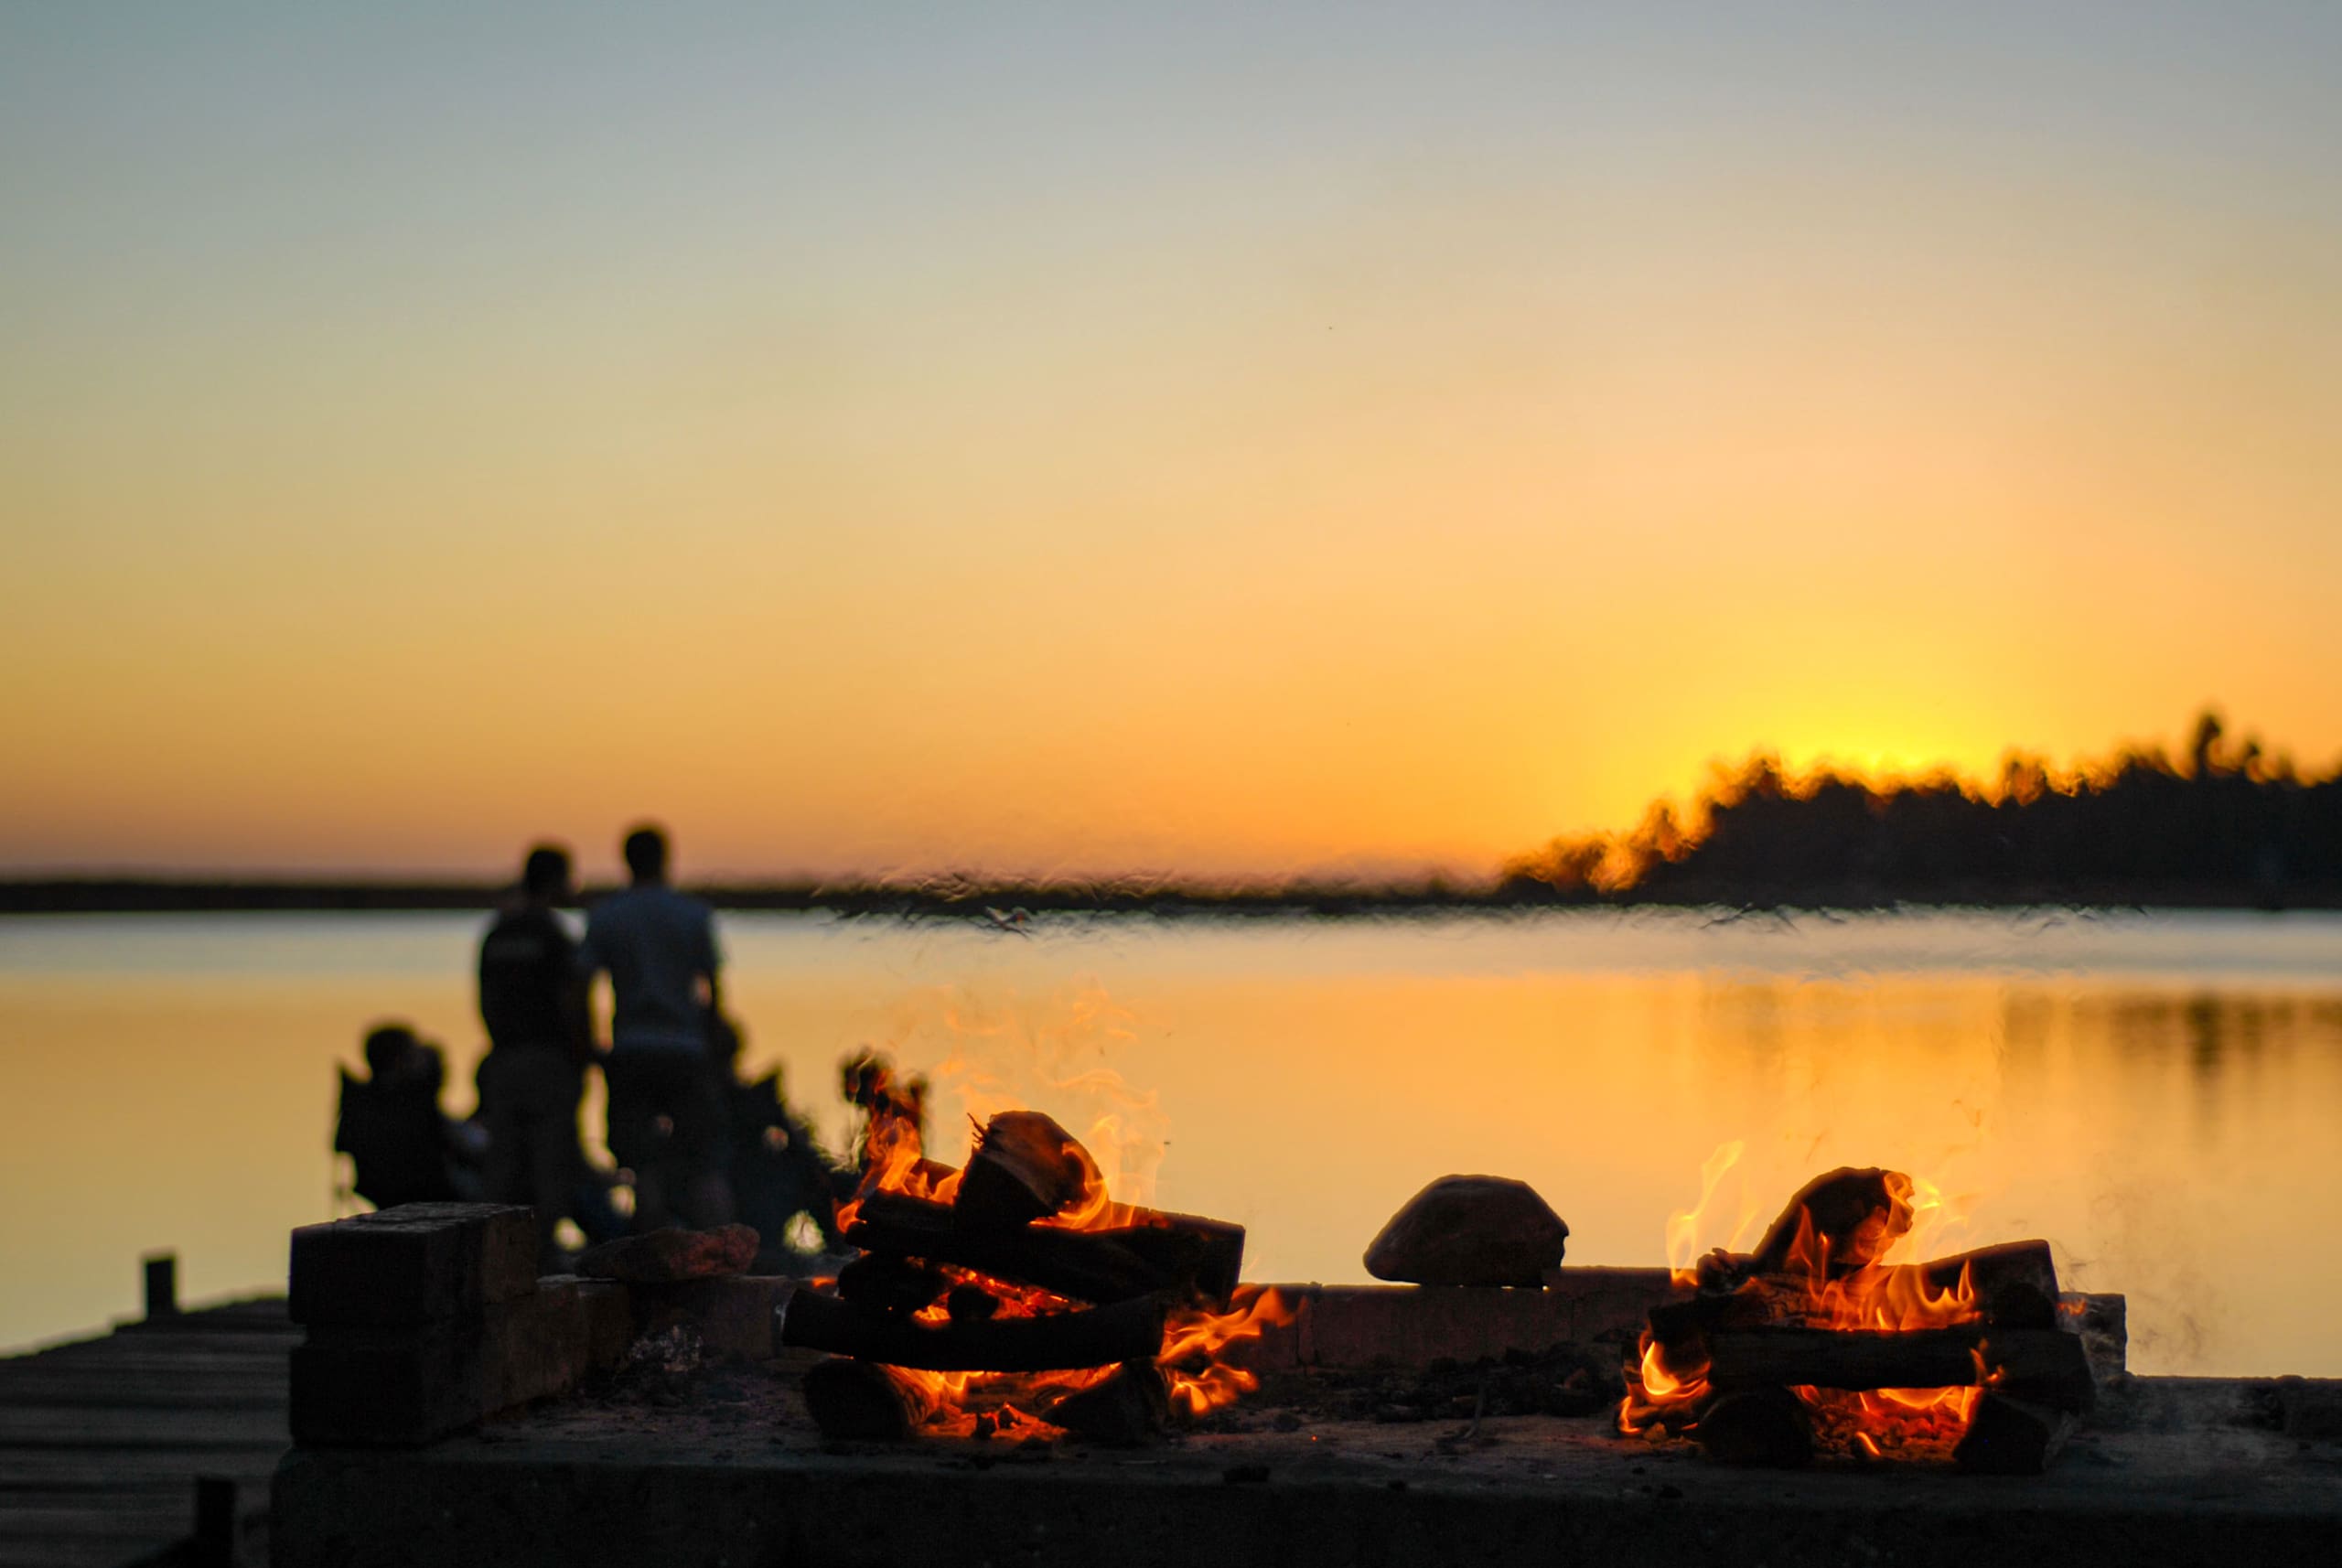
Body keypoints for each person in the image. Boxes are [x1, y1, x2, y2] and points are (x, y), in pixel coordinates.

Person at [577, 823, 732, 1230]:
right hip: (686, 1048)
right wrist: (715, 1042)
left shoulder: (607, 915)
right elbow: (712, 988)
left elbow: (583, 983)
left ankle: (650, 1245)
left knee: (641, 1164)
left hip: (631, 1048)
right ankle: (720, 1247)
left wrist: (593, 1043)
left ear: (626, 861)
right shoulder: (693, 914)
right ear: (667, 858)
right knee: (702, 1159)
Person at [474, 844, 619, 1264]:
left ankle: (495, 1257)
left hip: (505, 1060)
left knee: (503, 1163)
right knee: (550, 1161)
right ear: (556, 881)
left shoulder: (498, 934)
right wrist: (585, 1053)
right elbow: (572, 999)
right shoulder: (554, 935)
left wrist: (501, 1046)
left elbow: (485, 1000)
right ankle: (542, 1256)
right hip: (551, 1063)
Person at [334, 1022, 468, 1209]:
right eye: (414, 1055)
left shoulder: (368, 1103)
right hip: (429, 1200)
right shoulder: (406, 1105)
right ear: (399, 1061)